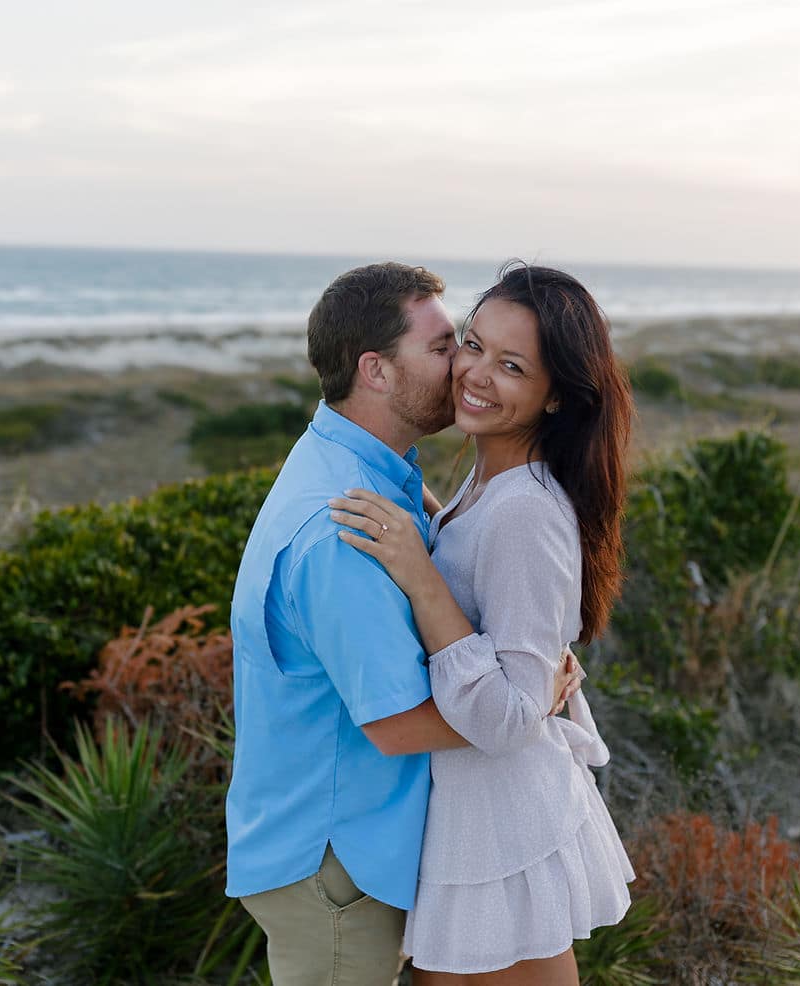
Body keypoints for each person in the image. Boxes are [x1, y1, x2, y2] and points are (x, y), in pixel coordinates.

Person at [224, 261, 578, 986]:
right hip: (334, 866)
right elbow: (398, 725)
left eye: (473, 347)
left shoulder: (370, 469)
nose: (465, 369)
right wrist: (532, 703)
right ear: (376, 371)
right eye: (448, 346)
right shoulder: (342, 532)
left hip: (345, 847)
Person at [329, 263, 636, 984]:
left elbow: (505, 719)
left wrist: (420, 571)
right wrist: (430, 520)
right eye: (472, 344)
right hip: (478, 826)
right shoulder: (488, 477)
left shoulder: (526, 509)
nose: (475, 373)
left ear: (555, 396)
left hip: (502, 838)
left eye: (512, 366)